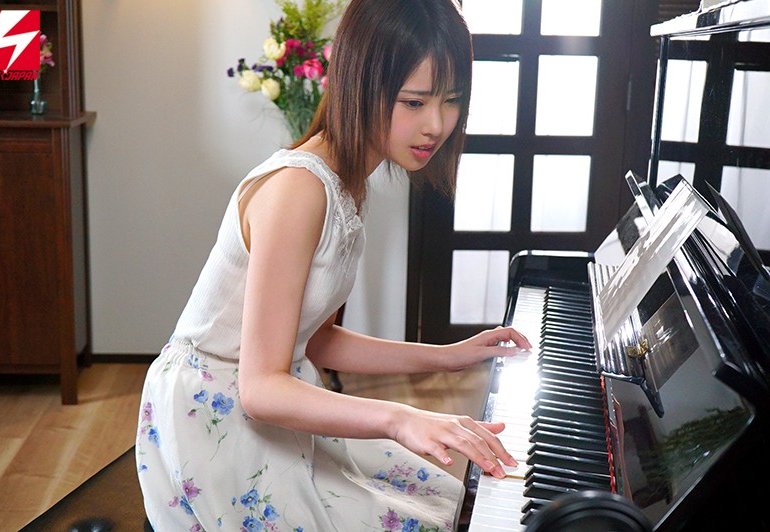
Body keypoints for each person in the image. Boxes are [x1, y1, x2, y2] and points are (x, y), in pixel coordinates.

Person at [136, 0, 532, 530]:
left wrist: (446, 356)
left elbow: (316, 340)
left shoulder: (344, 179)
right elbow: (260, 387)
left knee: (438, 497)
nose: (436, 124)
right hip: (212, 412)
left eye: (451, 100)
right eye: (414, 102)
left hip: (270, 395)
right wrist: (399, 418)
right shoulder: (299, 188)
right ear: (360, 84)